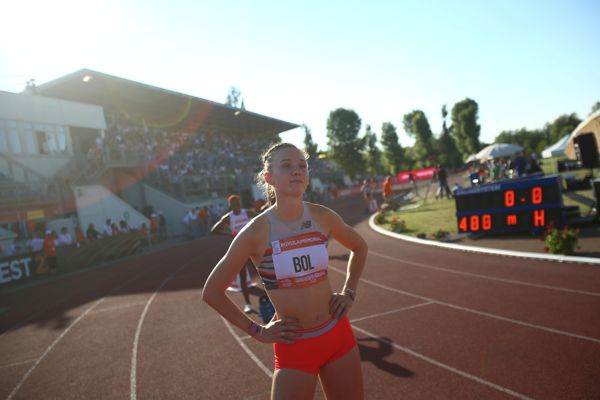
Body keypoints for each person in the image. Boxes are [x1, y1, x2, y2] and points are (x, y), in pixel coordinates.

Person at [203, 143, 368, 399]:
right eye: (287, 165)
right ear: (269, 178)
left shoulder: (323, 216)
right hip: (294, 345)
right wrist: (258, 331)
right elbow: (212, 292)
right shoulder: (255, 232)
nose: (297, 171)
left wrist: (349, 292)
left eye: (302, 166)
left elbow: (359, 247)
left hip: (338, 335)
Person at [210, 194, 257, 313]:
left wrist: (255, 231)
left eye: (237, 203)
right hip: (239, 249)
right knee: (243, 276)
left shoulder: (247, 213)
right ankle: (248, 304)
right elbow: (214, 230)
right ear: (230, 205)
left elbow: (261, 219)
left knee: (260, 272)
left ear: (240, 203)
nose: (236, 206)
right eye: (233, 204)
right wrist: (230, 234)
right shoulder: (228, 217)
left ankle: (272, 297)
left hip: (252, 247)